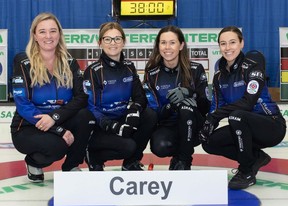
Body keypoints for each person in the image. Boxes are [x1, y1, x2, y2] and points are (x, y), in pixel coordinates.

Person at [10, 12, 95, 183]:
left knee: (85, 116)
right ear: (34, 35)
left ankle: (71, 166)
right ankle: (33, 162)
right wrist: (57, 129)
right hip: (28, 126)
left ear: (59, 34)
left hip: (58, 119)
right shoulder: (22, 61)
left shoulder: (69, 62)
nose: (48, 36)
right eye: (42, 31)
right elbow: (23, 103)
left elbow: (81, 98)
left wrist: (55, 118)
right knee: (57, 148)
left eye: (53, 31)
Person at [199, 26, 286, 189]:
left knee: (237, 116)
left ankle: (246, 171)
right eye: (223, 44)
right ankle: (255, 158)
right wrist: (207, 125)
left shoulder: (252, 67)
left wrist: (216, 116)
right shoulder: (218, 76)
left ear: (241, 43)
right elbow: (216, 106)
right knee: (209, 142)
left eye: (232, 42)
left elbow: (248, 103)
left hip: (271, 125)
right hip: (241, 124)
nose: (228, 48)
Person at [83, 22, 157, 171]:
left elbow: (140, 97)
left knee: (149, 115)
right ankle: (94, 156)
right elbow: (90, 107)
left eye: (117, 39)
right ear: (100, 43)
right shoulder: (93, 71)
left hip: (122, 119)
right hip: (100, 126)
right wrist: (111, 125)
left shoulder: (129, 67)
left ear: (123, 42)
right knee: (128, 146)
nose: (113, 43)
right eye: (108, 39)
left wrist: (134, 110)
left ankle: (131, 163)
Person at [143, 25, 211, 170]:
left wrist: (189, 93)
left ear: (181, 45)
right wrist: (172, 105)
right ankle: (179, 155)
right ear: (158, 46)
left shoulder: (196, 69)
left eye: (172, 42)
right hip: (168, 124)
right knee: (159, 146)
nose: (167, 47)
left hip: (194, 124)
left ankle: (185, 161)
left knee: (186, 107)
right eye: (163, 42)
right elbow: (155, 114)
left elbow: (205, 107)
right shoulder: (151, 74)